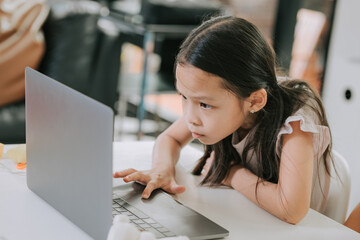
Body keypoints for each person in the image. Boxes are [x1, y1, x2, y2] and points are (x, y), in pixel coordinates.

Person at [114, 16, 333, 224]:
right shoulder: (222, 103)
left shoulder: (295, 119)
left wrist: (233, 174)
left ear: (255, 101)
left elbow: (292, 210)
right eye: (184, 97)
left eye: (205, 104)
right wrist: (162, 169)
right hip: (248, 216)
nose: (190, 119)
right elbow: (170, 137)